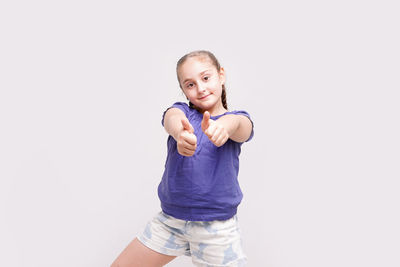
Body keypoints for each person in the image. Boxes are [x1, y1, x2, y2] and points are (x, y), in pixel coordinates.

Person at [111, 50, 254, 267]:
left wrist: (223, 127)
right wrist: (180, 133)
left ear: (221, 75)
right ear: (184, 91)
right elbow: (171, 118)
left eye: (206, 78)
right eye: (190, 84)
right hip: (171, 221)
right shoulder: (181, 113)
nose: (201, 88)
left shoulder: (236, 119)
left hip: (216, 228)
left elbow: (240, 126)